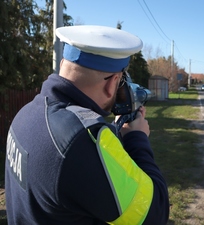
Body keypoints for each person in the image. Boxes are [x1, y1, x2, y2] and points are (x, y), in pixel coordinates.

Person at [5, 25, 169, 225]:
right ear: (112, 84)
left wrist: (115, 134)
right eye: (120, 83)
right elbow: (155, 213)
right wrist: (137, 139)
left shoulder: (27, 114)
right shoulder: (82, 140)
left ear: (64, 64)